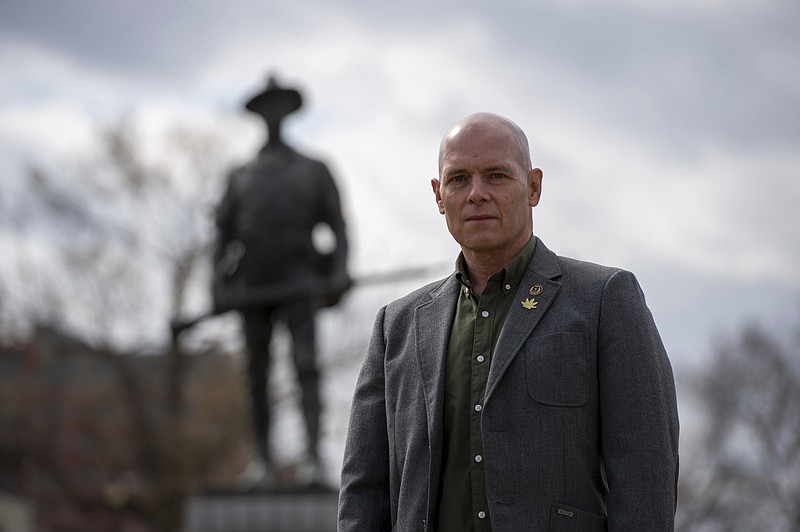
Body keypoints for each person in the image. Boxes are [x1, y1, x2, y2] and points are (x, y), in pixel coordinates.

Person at [338, 112, 679, 530]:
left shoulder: (604, 299)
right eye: (459, 178)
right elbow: (363, 491)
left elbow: (646, 475)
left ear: (533, 186)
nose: (476, 193)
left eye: (496, 176)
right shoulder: (397, 326)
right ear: (438, 195)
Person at [214, 76, 350, 487]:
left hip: (299, 277)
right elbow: (222, 237)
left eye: (279, 107)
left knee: (306, 365)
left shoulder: (313, 168)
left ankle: (312, 458)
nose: (273, 115)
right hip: (253, 282)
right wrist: (216, 286)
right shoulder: (240, 175)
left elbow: (338, 227)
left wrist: (339, 270)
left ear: (287, 113)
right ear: (259, 115)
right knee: (256, 372)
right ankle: (262, 460)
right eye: (265, 108)